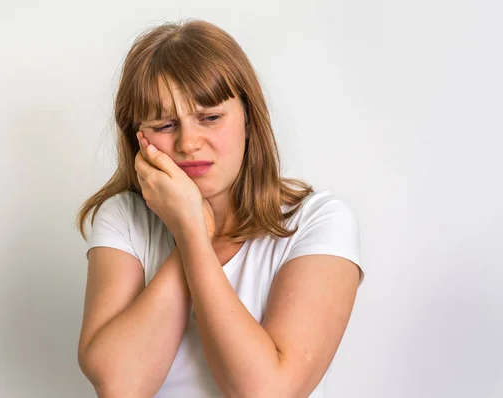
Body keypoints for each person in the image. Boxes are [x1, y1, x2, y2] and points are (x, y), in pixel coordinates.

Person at [75, 18, 365, 398]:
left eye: (210, 118)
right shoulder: (123, 219)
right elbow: (120, 385)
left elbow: (269, 392)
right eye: (164, 125)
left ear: (248, 118)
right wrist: (192, 229)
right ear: (138, 137)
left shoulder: (319, 221)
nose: (189, 143)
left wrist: (194, 234)